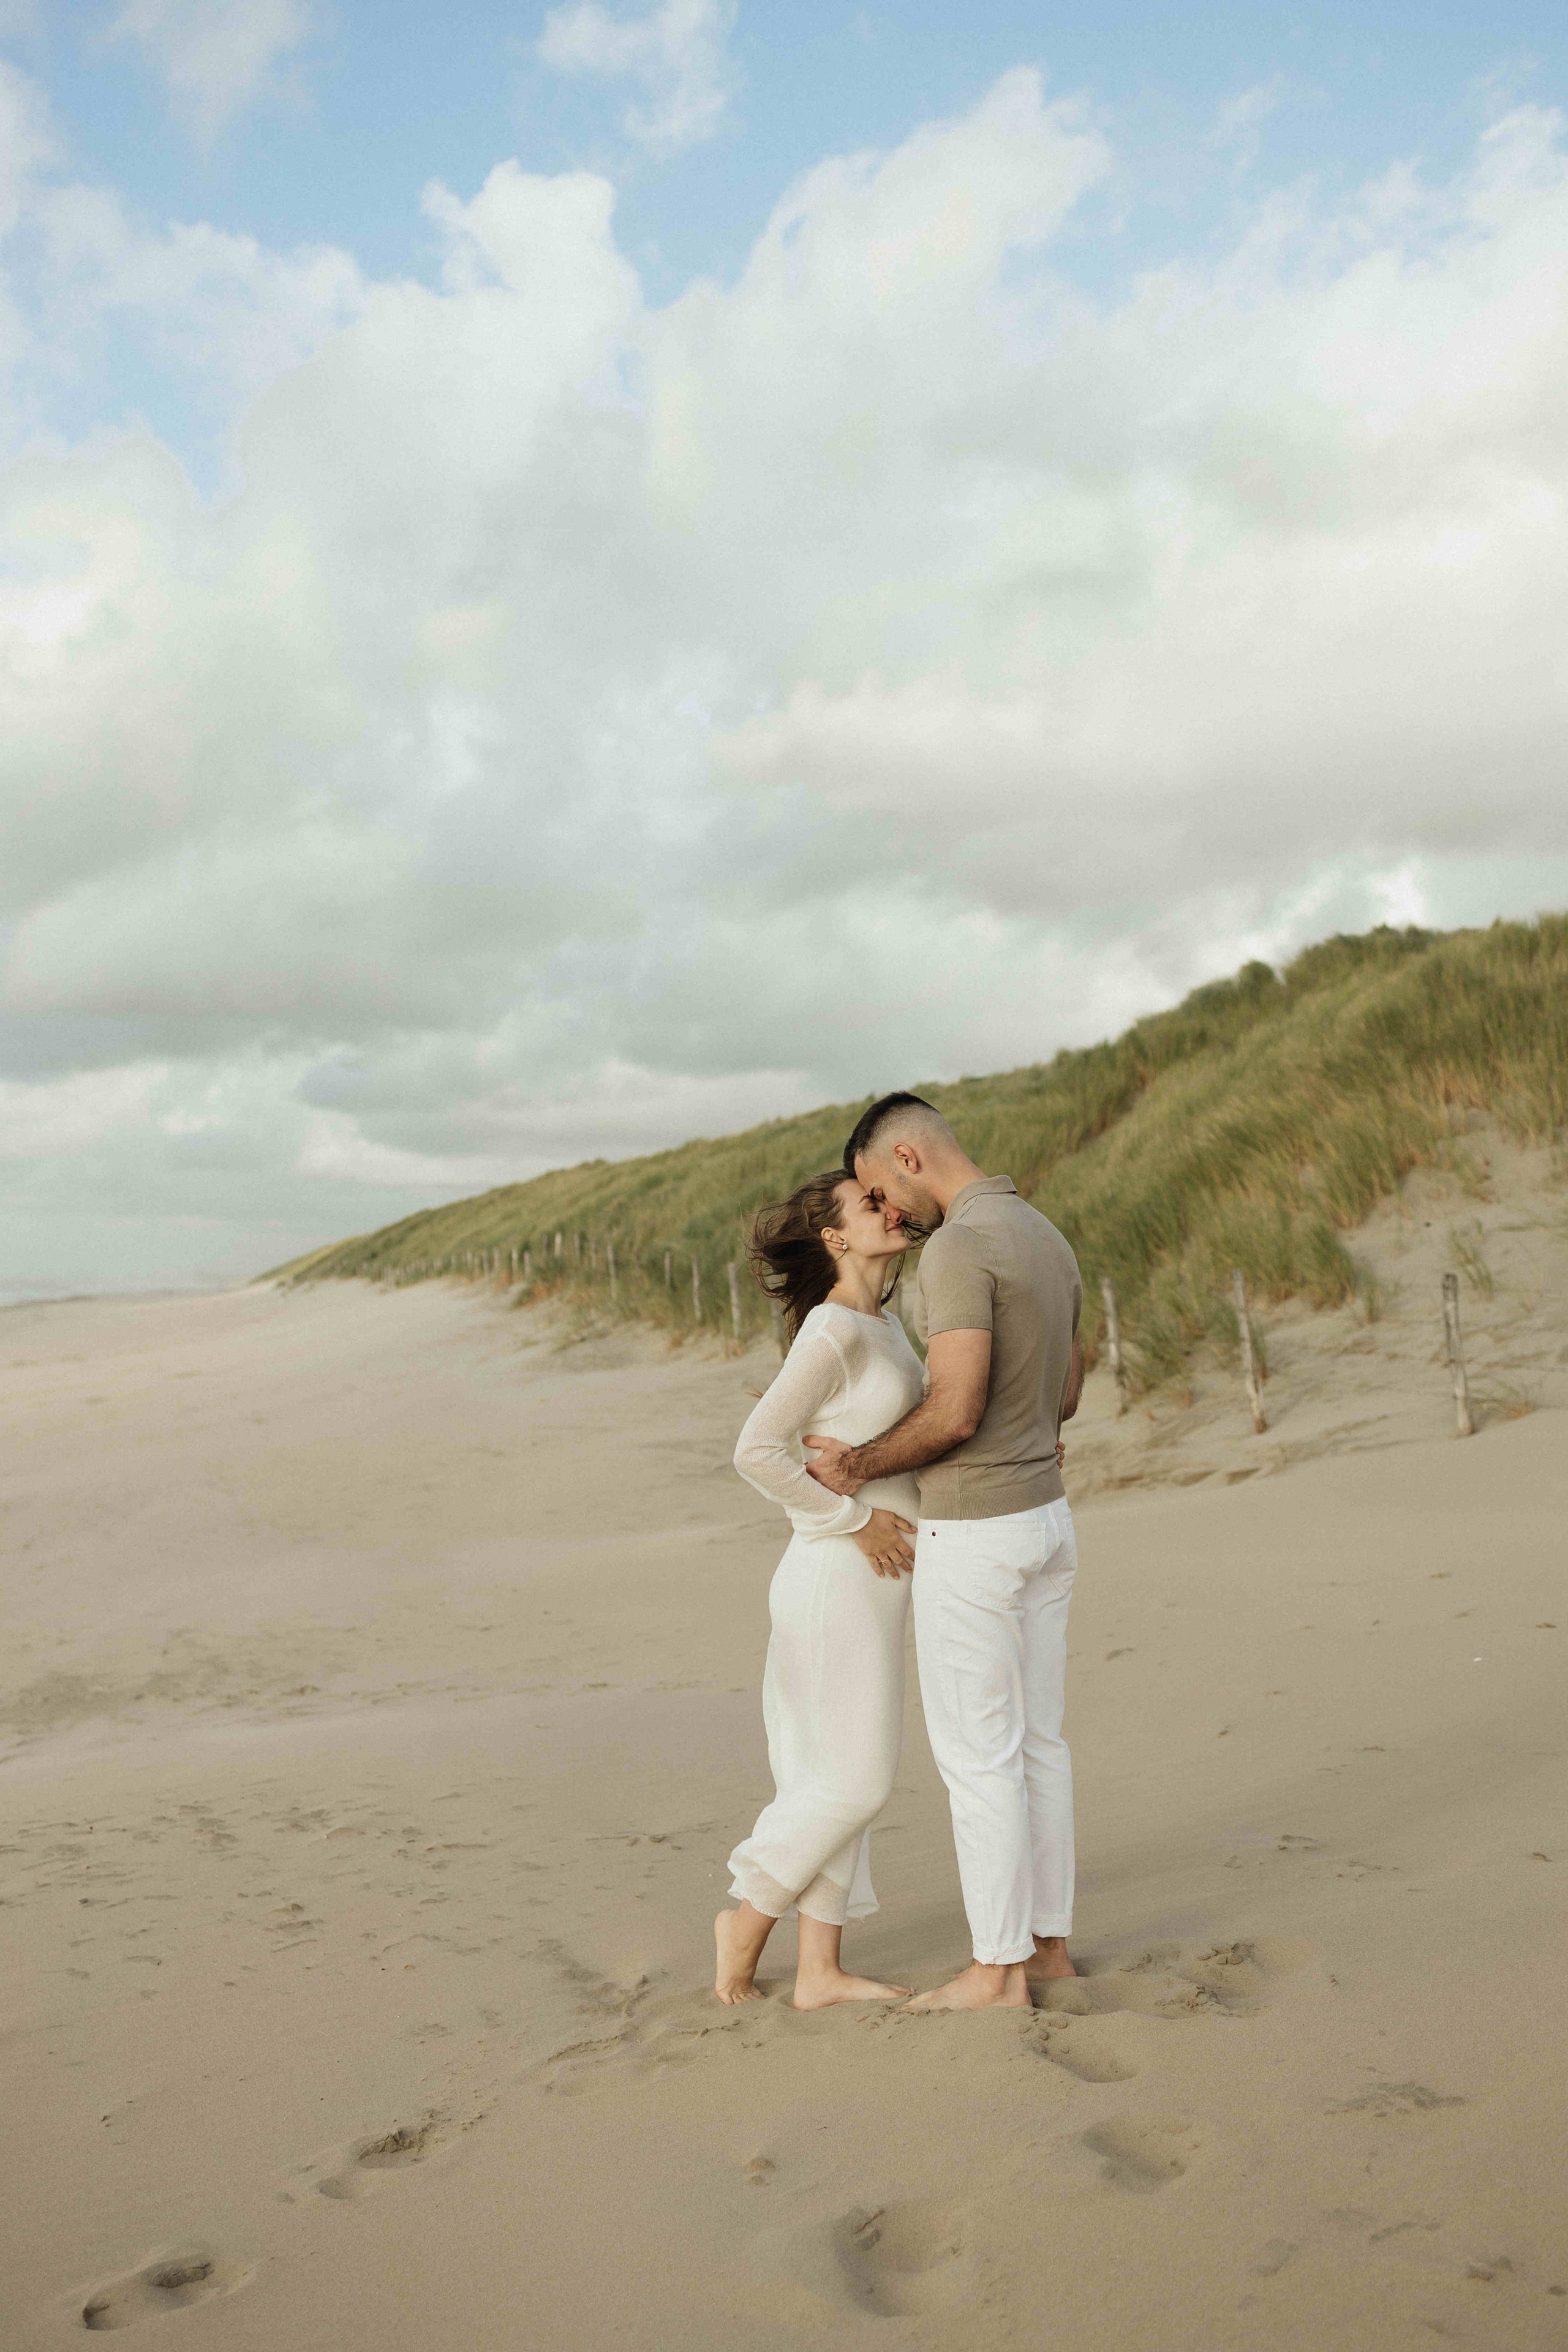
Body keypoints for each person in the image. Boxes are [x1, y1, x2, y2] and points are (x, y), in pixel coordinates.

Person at [804, 1093, 1084, 2013]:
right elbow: (1068, 1390)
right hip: (1049, 1519)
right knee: (1040, 1743)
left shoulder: (961, 1246)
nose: (891, 1214)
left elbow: (956, 1408)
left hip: (978, 1528)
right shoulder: (1044, 1231)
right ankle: (1047, 1951)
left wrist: (860, 1464)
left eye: (885, 1189)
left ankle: (995, 1972)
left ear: (910, 1158)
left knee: (979, 1756)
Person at [714, 1168, 925, 2009]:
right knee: (857, 1780)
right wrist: (850, 1522)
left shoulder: (888, 1329)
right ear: (835, 1237)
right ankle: (747, 1920)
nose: (891, 1208)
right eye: (869, 1203)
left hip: (873, 1585)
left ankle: (819, 1972)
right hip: (834, 1577)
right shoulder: (834, 1333)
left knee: (829, 1774)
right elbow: (756, 1451)